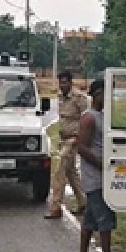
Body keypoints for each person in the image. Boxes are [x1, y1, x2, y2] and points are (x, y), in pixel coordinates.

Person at [76, 79, 125, 252]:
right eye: (106, 93)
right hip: (96, 179)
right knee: (105, 219)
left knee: (89, 219)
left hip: (101, 176)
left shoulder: (102, 116)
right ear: (97, 94)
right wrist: (102, 165)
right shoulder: (89, 118)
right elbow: (81, 147)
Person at [45, 71, 87, 219]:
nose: (62, 85)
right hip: (63, 138)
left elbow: (86, 118)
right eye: (60, 82)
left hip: (73, 140)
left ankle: (55, 207)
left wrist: (79, 137)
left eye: (65, 82)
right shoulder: (60, 97)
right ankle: (84, 203)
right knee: (71, 173)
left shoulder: (79, 98)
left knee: (59, 172)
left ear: (70, 82)